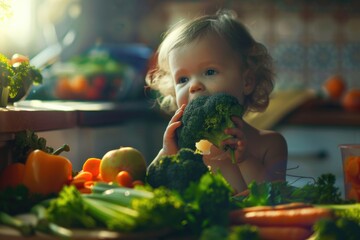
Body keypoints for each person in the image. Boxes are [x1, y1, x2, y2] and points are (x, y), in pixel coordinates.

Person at [146, 10, 288, 194]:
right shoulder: (183, 148)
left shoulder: (270, 144)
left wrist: (243, 160)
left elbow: (273, 198)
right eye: (182, 79)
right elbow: (148, 189)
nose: (194, 86)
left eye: (210, 72)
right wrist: (166, 153)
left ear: (247, 82)